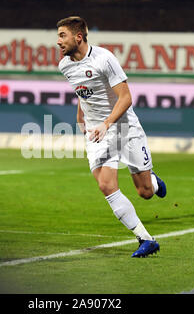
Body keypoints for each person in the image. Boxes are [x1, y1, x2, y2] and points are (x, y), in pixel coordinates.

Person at [56, 16, 167, 258]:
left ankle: (153, 181)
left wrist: (108, 122)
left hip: (125, 127)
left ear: (79, 37)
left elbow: (126, 97)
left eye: (62, 35)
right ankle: (146, 239)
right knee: (106, 185)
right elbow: (83, 92)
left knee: (145, 192)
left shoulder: (104, 59)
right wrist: (81, 117)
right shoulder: (64, 66)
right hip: (97, 133)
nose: (58, 41)